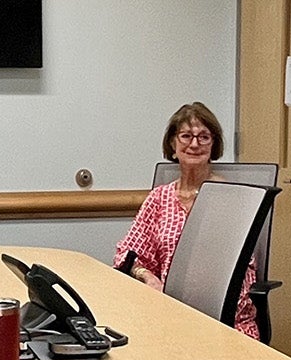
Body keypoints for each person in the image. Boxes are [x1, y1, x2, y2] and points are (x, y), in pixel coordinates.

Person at [112, 102, 261, 339]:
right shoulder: (159, 198)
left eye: (204, 137)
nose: (194, 144)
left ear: (214, 145)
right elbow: (127, 255)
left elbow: (242, 271)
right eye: (186, 136)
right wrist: (147, 277)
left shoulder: (231, 197)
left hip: (226, 325)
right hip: (166, 316)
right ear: (173, 144)